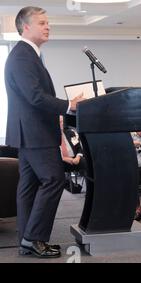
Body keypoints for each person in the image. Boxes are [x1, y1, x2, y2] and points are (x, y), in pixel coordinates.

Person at [5, 6, 84, 258]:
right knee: (54, 180)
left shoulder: (28, 55)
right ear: (26, 27)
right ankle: (33, 238)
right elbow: (35, 96)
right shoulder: (22, 56)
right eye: (42, 22)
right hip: (35, 132)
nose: (47, 26)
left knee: (28, 186)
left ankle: (26, 241)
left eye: (48, 22)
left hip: (29, 133)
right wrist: (68, 105)